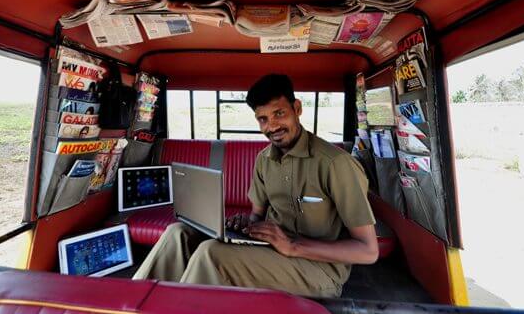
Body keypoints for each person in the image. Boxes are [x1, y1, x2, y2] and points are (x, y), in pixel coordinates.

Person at [133, 74, 378, 297]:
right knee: (178, 233)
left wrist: (293, 246)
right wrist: (246, 223)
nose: (272, 127)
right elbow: (257, 216)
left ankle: (173, 306)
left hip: (318, 268)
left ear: (297, 108)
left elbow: (367, 251)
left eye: (279, 114)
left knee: (211, 254)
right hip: (269, 250)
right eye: (263, 119)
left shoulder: (336, 164)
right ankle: (132, 302)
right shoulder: (264, 160)